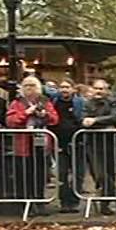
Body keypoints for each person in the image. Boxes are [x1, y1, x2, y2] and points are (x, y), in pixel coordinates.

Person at [7, 76, 59, 216]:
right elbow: (11, 121)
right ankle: (25, 205)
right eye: (26, 85)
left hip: (41, 144)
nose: (30, 88)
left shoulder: (45, 101)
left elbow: (55, 119)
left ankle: (39, 202)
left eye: (33, 85)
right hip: (23, 145)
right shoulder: (16, 103)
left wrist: (45, 115)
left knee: (40, 175)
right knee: (24, 176)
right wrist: (25, 113)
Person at [82, 79, 116, 215]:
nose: (98, 91)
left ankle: (105, 205)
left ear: (106, 90)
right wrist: (98, 122)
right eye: (96, 88)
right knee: (100, 176)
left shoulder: (111, 102)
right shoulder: (87, 103)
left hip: (110, 143)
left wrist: (95, 121)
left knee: (110, 174)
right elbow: (83, 119)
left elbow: (115, 117)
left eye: (101, 89)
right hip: (92, 144)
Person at [51, 79, 85, 213]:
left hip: (78, 142)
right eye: (62, 87)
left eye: (67, 87)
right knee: (62, 173)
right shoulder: (54, 101)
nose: (64, 90)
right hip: (59, 142)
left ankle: (74, 200)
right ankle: (64, 201)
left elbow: (82, 117)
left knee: (78, 173)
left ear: (73, 89)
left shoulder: (79, 102)